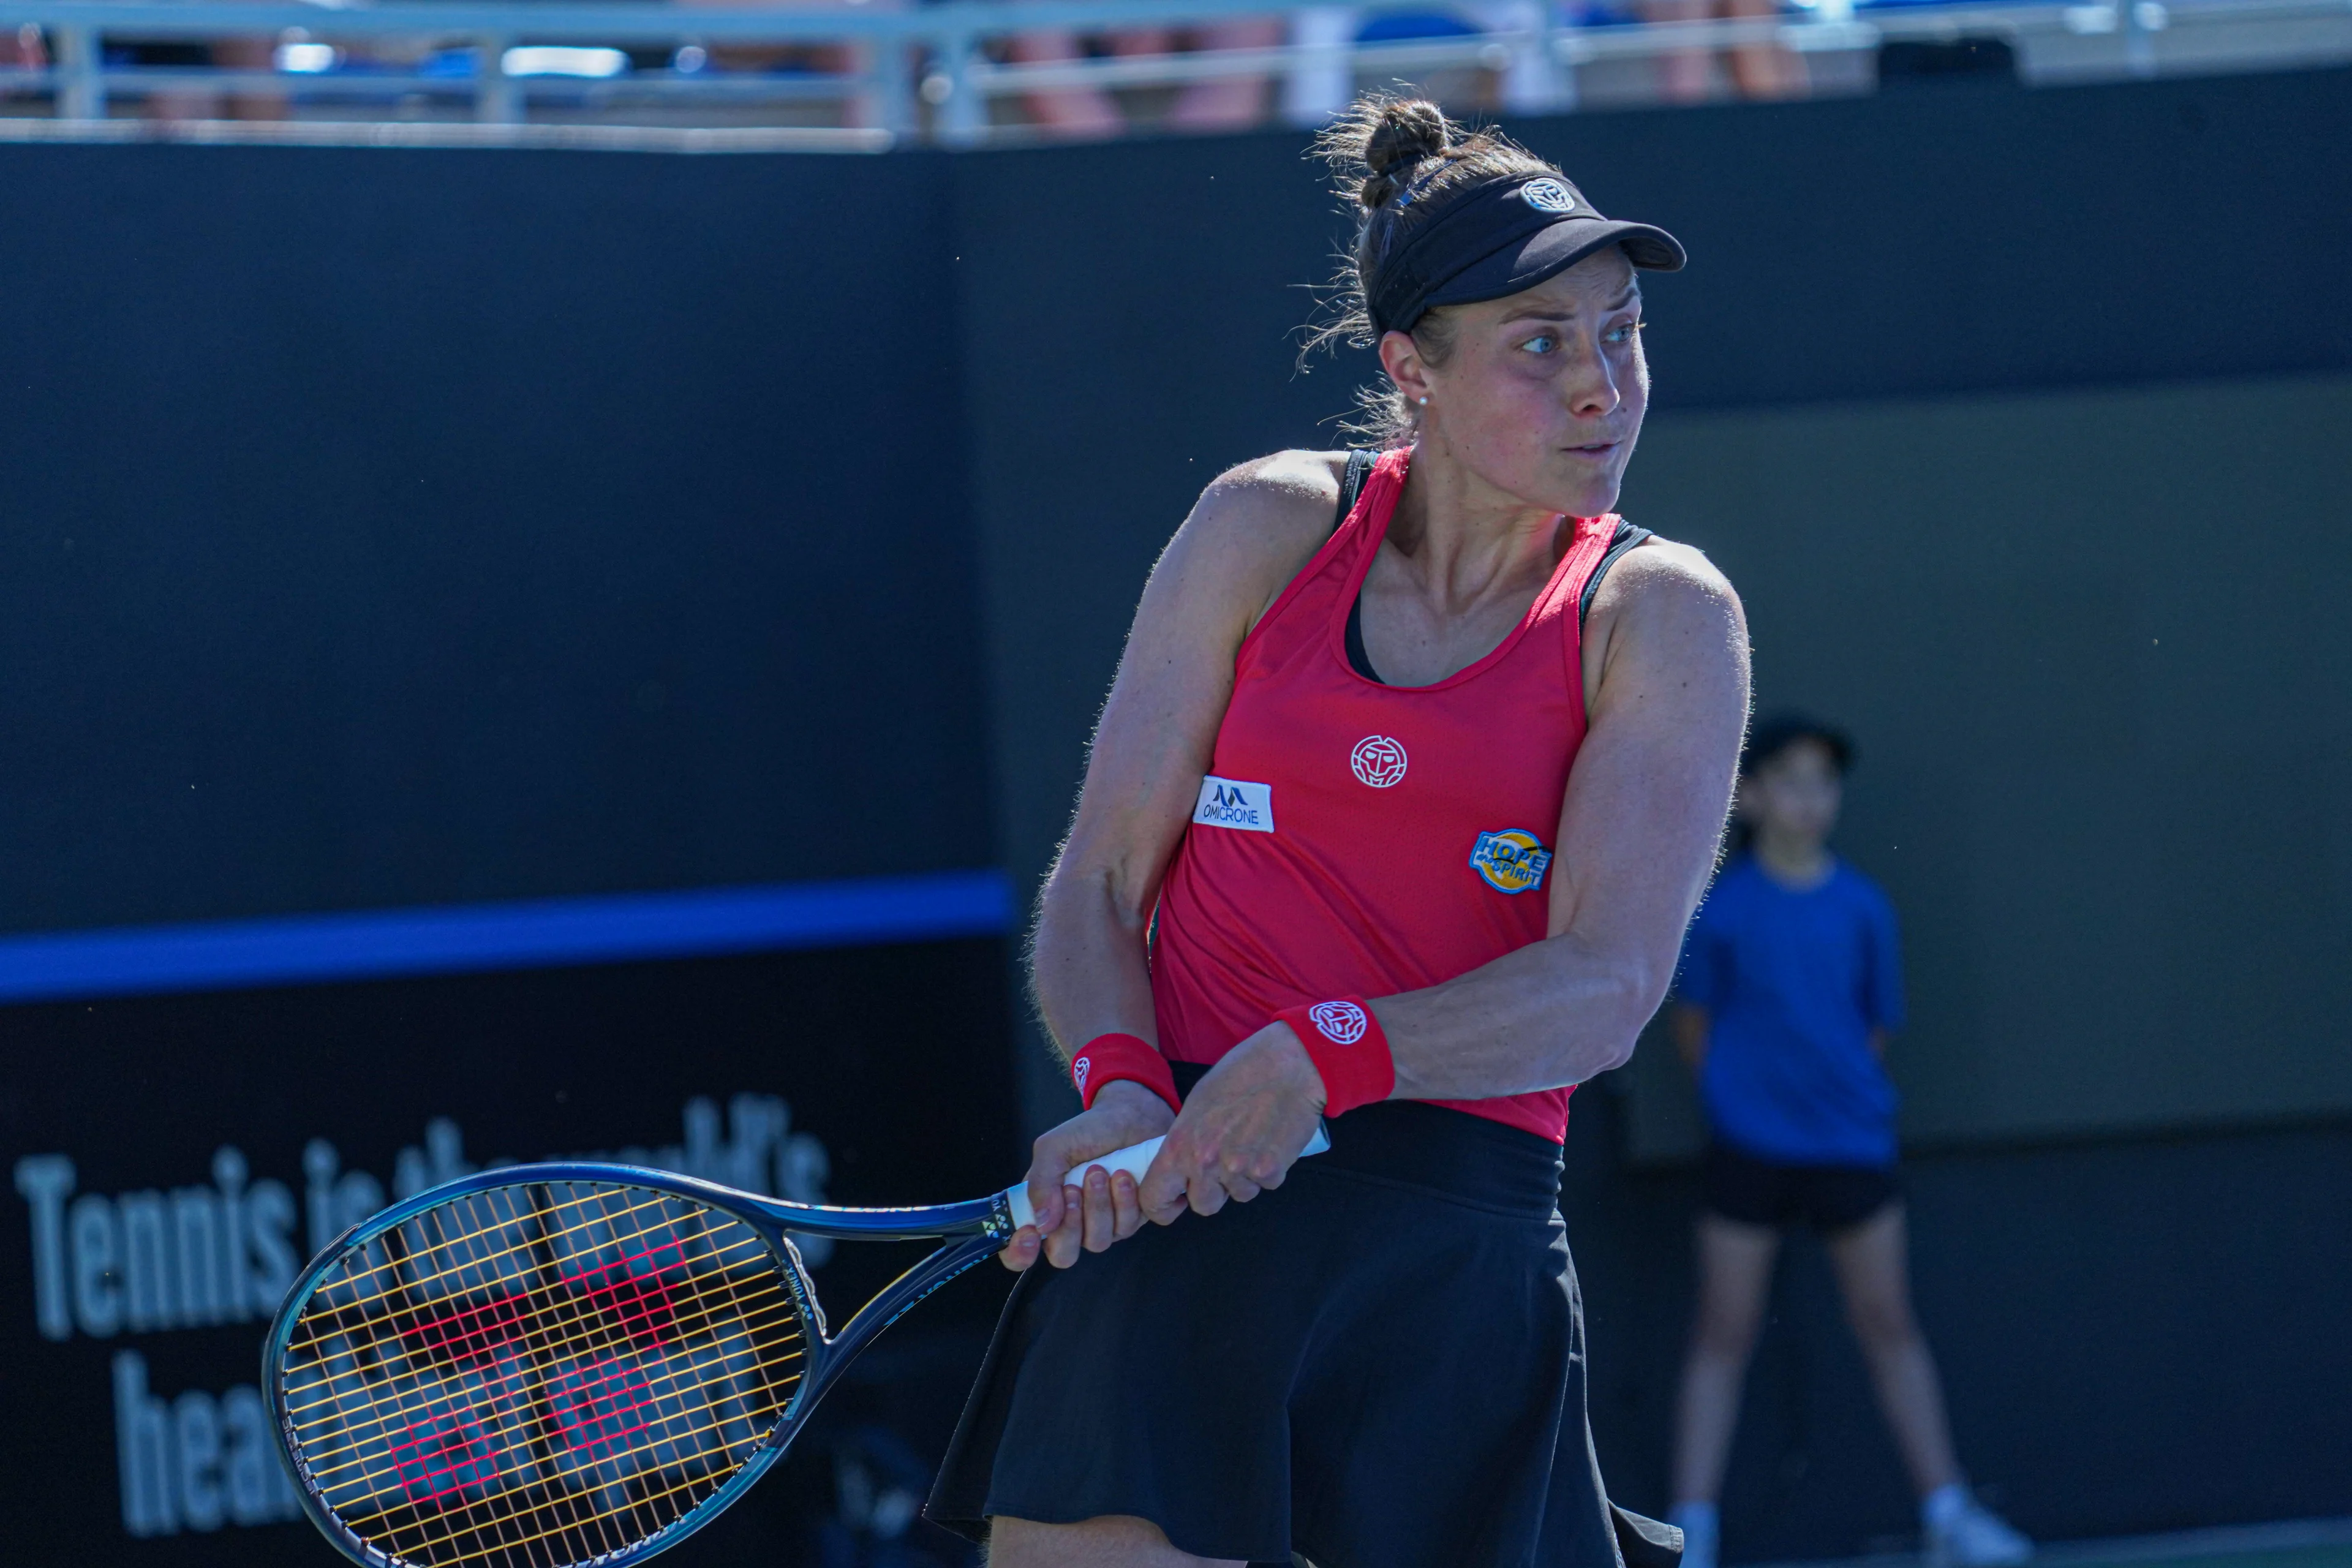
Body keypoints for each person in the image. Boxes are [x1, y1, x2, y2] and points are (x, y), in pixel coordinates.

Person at [926, 95, 1751, 1568]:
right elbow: (1104, 883)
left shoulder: (1663, 614)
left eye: (1620, 331)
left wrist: (1329, 1051)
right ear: (1409, 373)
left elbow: (1607, 984)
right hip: (1172, 1222)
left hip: (1452, 1261)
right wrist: (1120, 1087)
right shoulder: (1264, 526)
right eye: (1541, 342)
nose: (1601, 386)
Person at [1664, 716, 2032, 1568]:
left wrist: (1827, 1103)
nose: (1809, 798)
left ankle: (1948, 1516)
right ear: (1749, 797)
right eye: (1789, 780)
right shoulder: (1721, 912)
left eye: (1823, 782)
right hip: (1747, 1154)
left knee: (1889, 1322)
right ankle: (1690, 1534)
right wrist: (1751, 1105)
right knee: (1723, 1331)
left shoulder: (1864, 907)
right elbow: (1695, 1031)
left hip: (1851, 1151)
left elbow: (1874, 1028)